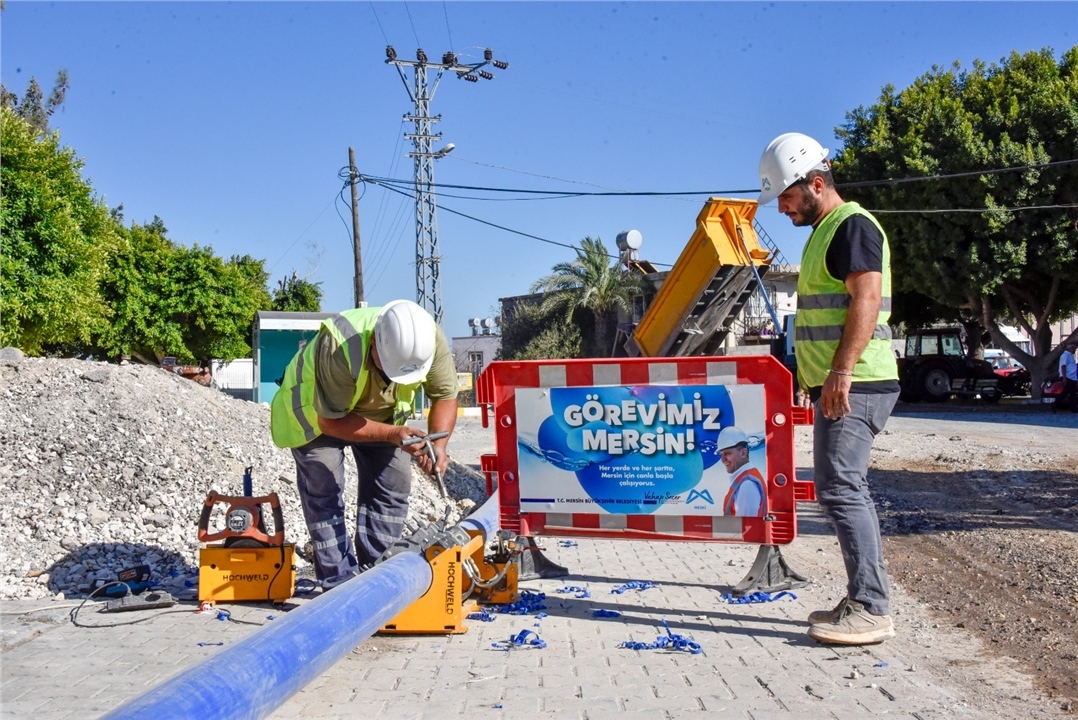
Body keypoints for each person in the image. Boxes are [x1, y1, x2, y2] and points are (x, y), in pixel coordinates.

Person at [757, 132, 901, 645]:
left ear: (816, 184)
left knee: (842, 487)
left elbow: (865, 300)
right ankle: (863, 598)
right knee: (838, 487)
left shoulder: (852, 225)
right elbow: (824, 317)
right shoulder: (825, 231)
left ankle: (871, 606)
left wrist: (839, 373)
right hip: (840, 383)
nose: (781, 209)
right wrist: (811, 378)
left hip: (858, 381)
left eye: (787, 197)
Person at [269, 300, 458, 589]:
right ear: (374, 345)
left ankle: (379, 577)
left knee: (392, 488)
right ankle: (337, 582)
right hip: (320, 417)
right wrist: (393, 434)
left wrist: (439, 445)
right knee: (325, 489)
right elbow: (332, 422)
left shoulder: (428, 338)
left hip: (383, 420)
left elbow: (445, 395)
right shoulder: (340, 344)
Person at [716, 426, 767, 517]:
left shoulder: (747, 485)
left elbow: (745, 526)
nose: (723, 459)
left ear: (743, 453)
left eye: (727, 453)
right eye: (721, 454)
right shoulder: (745, 479)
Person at [1054, 340, 1078, 413]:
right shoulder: (1065, 355)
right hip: (1068, 377)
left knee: (1072, 393)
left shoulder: (1070, 356)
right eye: (1074, 348)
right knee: (1065, 393)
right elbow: (1063, 366)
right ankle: (1055, 405)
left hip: (1072, 377)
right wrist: (1064, 377)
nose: (1075, 350)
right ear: (1070, 348)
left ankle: (1073, 408)